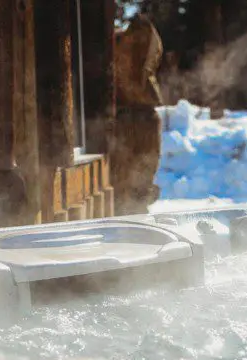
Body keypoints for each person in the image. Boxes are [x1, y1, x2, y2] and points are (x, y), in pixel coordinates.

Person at [113, 15, 164, 215]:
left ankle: (134, 206)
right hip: (131, 110)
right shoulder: (122, 42)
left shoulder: (121, 42)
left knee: (136, 179)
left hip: (134, 111)